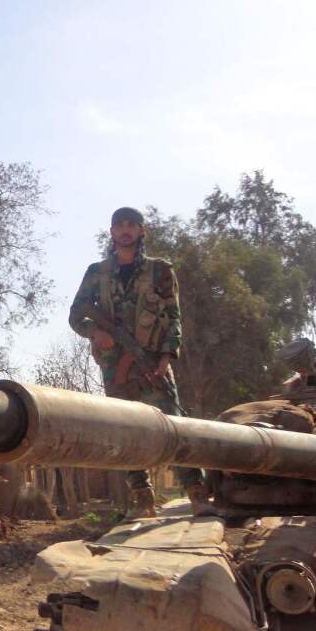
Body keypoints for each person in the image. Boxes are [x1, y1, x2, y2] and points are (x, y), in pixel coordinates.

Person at [68, 206, 214, 518]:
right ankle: (142, 499)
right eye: (119, 225)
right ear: (112, 233)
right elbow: (76, 315)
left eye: (131, 225)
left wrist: (164, 359)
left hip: (152, 362)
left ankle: (197, 494)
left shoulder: (160, 270)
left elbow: (174, 318)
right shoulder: (97, 273)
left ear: (141, 231)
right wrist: (95, 333)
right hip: (114, 367)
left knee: (173, 425)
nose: (125, 230)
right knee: (124, 430)